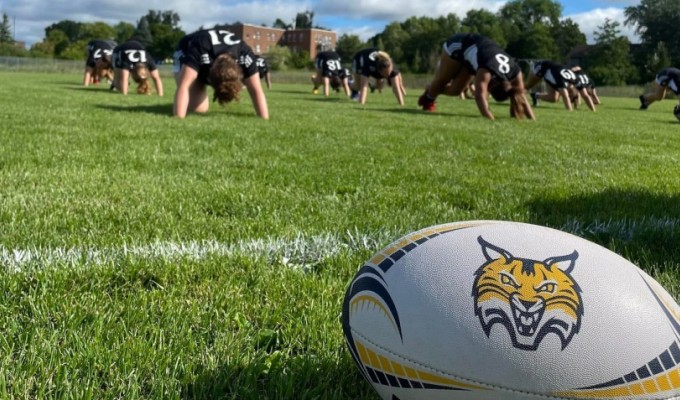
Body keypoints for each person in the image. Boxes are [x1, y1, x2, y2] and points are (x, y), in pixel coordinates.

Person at [418, 33, 534, 120]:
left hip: (475, 55)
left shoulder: (516, 71)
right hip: (459, 45)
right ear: (492, 86)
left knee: (456, 91)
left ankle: (431, 87)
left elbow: (520, 95)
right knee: (443, 80)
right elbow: (479, 96)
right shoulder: (487, 70)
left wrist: (532, 119)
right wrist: (490, 118)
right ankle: (429, 100)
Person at [173, 27, 269, 119]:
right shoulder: (200, 48)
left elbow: (256, 90)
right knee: (195, 106)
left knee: (198, 109)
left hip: (210, 52)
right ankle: (195, 90)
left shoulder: (245, 53)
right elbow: (184, 85)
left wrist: (264, 119)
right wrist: (178, 118)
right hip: (185, 50)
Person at [525, 60, 595, 111]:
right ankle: (517, 97)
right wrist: (570, 111)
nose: (574, 98)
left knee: (554, 98)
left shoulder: (576, 80)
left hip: (551, 73)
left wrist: (593, 111)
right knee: (528, 86)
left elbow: (586, 96)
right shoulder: (563, 82)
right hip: (542, 67)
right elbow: (565, 97)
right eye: (573, 98)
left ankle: (535, 96)